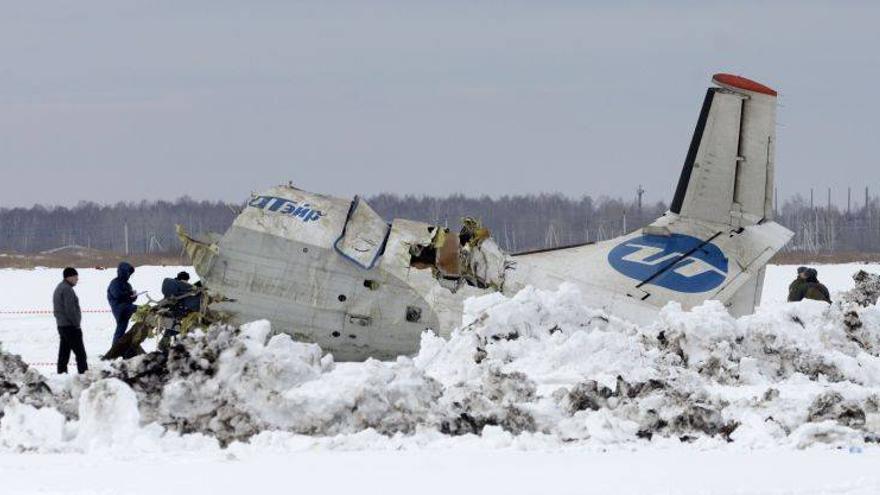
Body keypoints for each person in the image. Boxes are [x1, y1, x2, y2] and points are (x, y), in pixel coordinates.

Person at [52, 267, 88, 374]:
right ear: (70, 277)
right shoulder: (67, 289)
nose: (77, 279)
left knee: (64, 354)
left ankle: (61, 375)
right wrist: (76, 324)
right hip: (70, 327)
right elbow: (70, 310)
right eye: (76, 277)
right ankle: (84, 376)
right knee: (81, 354)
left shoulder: (60, 287)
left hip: (62, 326)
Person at [107, 262, 138, 344]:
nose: (129, 274)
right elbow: (117, 295)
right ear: (122, 272)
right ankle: (115, 347)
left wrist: (134, 296)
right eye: (127, 272)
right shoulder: (115, 283)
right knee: (137, 309)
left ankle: (116, 346)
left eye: (129, 273)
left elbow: (130, 299)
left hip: (126, 308)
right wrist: (129, 294)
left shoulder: (128, 285)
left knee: (121, 329)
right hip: (119, 308)